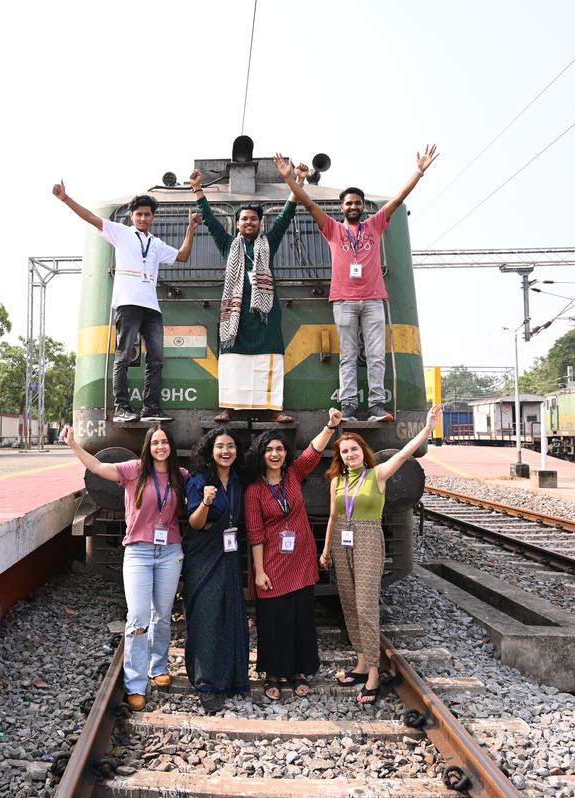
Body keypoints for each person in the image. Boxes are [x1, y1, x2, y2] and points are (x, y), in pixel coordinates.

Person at [274, 147, 439, 423]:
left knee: (376, 356)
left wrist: (419, 171)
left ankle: (376, 406)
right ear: (342, 207)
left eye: (357, 203)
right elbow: (307, 202)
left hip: (374, 300)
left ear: (363, 206)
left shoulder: (375, 225)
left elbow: (398, 199)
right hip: (344, 301)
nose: (353, 207)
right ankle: (348, 405)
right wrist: (290, 179)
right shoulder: (332, 229)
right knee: (348, 356)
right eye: (348, 203)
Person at [60, 423, 188, 711]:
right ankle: (135, 683)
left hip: (170, 552)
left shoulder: (181, 476)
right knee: (139, 616)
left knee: (163, 614)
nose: (160, 447)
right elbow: (98, 467)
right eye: (155, 442)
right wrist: (74, 445)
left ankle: (158, 667)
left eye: (164, 442)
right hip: (139, 552)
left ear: (171, 446)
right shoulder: (134, 470)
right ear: (148, 446)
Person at [321, 403, 442, 705]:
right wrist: (325, 551)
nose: (350, 455)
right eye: (345, 451)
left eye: (354, 449)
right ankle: (360, 663)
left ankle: (374, 673)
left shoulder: (377, 475)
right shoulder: (337, 481)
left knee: (365, 606)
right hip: (340, 541)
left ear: (363, 451)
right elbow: (334, 518)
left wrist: (427, 429)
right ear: (340, 457)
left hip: (368, 539)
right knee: (348, 602)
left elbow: (403, 454)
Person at [53, 181, 201, 422]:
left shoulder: (156, 244)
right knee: (124, 356)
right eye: (139, 214)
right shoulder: (120, 233)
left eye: (147, 214)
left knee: (156, 358)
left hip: (151, 307)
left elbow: (182, 256)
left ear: (152, 217)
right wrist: (65, 199)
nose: (143, 218)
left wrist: (191, 229)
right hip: (127, 304)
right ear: (132, 216)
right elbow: (90, 217)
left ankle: (151, 408)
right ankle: (122, 408)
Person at [189, 163, 309, 424]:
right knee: (232, 359)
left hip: (265, 313)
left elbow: (286, 215)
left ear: (259, 223)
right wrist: (198, 190)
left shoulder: (269, 242)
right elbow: (209, 220)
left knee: (269, 360)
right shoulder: (228, 244)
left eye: (253, 219)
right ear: (238, 223)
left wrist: (298, 180)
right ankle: (229, 409)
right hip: (235, 313)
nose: (248, 222)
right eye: (244, 219)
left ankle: (274, 409)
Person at [244, 408, 342, 700]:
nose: (275, 454)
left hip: (300, 560)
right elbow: (255, 534)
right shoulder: (254, 491)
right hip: (273, 562)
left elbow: (313, 452)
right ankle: (273, 673)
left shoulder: (294, 475)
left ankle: (298, 671)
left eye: (280, 449)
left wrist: (329, 426)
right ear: (261, 455)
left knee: (301, 618)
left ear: (286, 454)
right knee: (274, 620)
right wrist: (259, 571)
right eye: (269, 450)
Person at [183, 427, 249, 713]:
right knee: (206, 615)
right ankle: (205, 682)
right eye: (220, 446)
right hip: (204, 554)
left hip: (229, 554)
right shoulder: (199, 481)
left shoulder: (237, 482)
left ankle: (231, 677)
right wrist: (207, 503)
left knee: (231, 613)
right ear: (210, 451)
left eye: (231, 446)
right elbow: (194, 524)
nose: (226, 451)